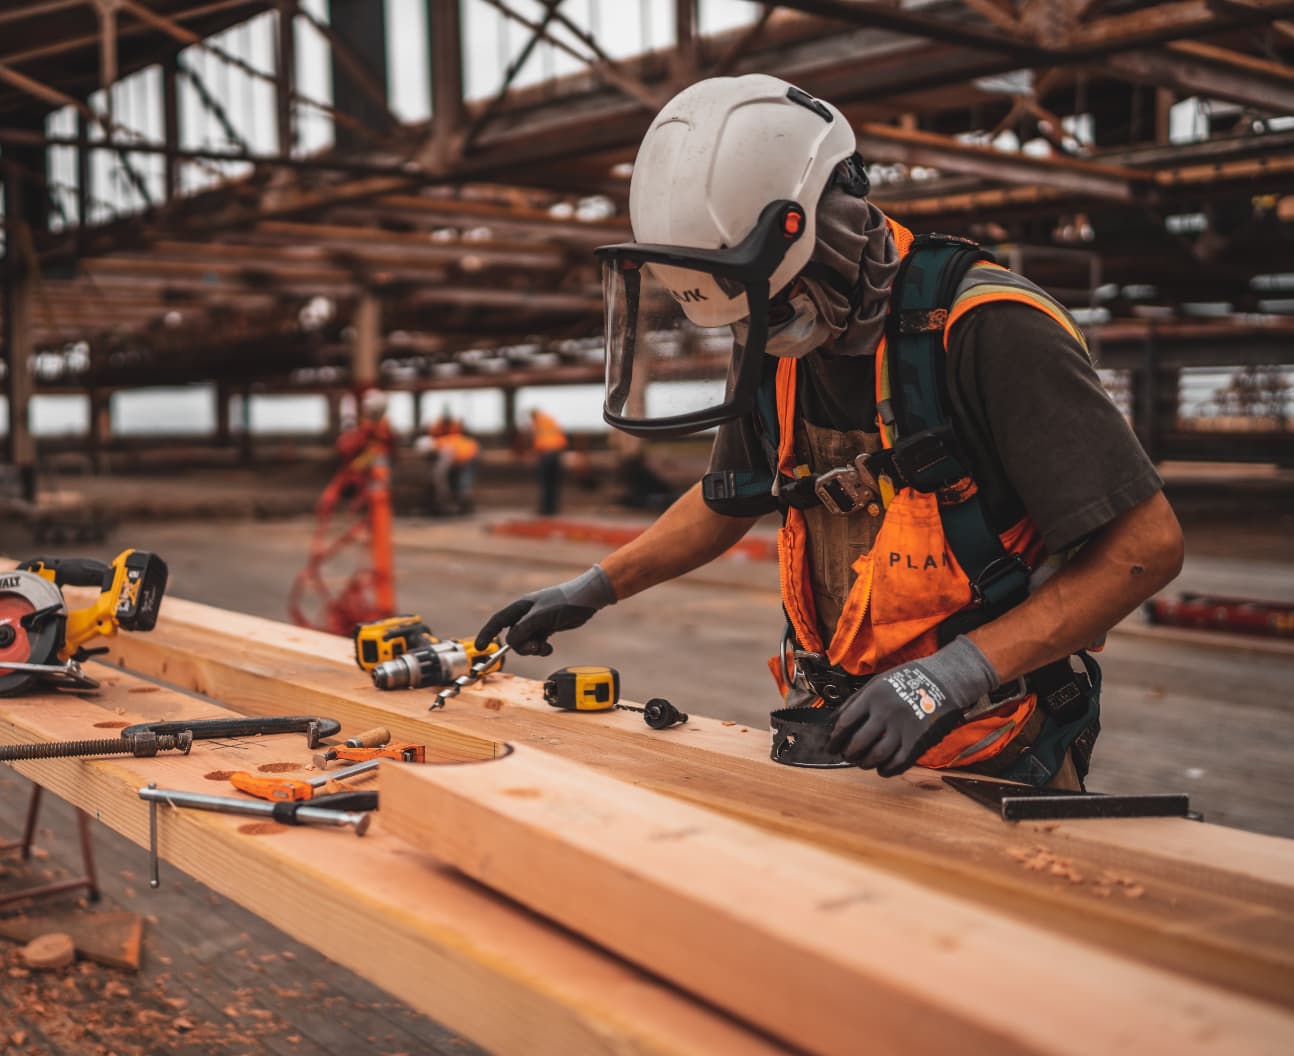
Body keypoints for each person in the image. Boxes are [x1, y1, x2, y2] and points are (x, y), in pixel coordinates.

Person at [476, 75, 1182, 790]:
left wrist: (952, 675)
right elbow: (730, 497)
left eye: (776, 304)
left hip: (992, 742)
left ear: (831, 227)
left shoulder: (988, 328)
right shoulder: (771, 338)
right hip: (833, 729)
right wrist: (595, 586)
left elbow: (1146, 548)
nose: (765, 330)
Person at [528, 408, 568, 516]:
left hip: (546, 453)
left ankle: (546, 508)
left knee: (545, 482)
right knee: (553, 482)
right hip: (556, 452)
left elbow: (537, 438)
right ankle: (553, 508)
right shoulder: (550, 420)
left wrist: (534, 453)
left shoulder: (538, 422)